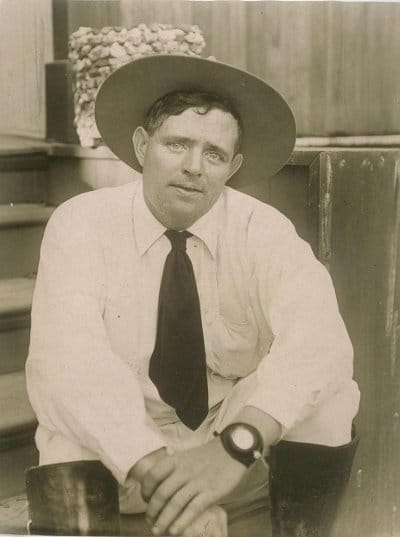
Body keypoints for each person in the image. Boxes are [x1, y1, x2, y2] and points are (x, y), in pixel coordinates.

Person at [26, 55, 360, 537]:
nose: (192, 168)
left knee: (332, 399)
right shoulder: (82, 223)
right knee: (65, 420)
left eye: (214, 154)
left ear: (233, 166)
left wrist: (235, 445)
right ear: (142, 145)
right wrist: (156, 469)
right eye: (176, 144)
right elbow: (69, 362)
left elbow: (321, 342)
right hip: (125, 457)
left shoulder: (261, 229)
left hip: (226, 454)